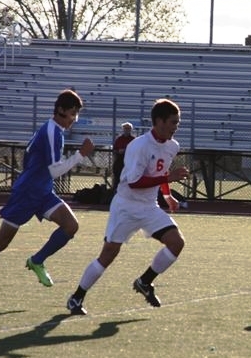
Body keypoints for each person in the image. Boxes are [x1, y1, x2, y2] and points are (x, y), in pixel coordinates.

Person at [0, 89, 95, 305]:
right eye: (72, 113)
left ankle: (37, 260)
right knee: (1, 242)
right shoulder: (52, 131)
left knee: (71, 226)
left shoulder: (54, 130)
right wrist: (80, 155)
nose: (74, 119)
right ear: (60, 110)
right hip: (27, 194)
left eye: (76, 114)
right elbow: (54, 170)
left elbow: (32, 160)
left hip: (42, 191)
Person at [66, 98, 190, 315]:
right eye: (173, 122)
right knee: (108, 255)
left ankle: (145, 281)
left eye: (177, 122)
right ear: (159, 121)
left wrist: (167, 195)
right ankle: (76, 297)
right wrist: (169, 179)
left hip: (149, 206)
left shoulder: (172, 146)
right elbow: (134, 182)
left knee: (176, 242)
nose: (176, 127)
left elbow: (160, 173)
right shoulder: (139, 146)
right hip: (126, 206)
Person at [112, 122, 135, 192]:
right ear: (123, 129)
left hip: (129, 162)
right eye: (125, 128)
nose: (127, 130)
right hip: (119, 160)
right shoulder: (119, 139)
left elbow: (136, 150)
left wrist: (127, 151)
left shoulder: (133, 139)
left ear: (131, 130)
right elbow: (114, 150)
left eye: (128, 128)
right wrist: (119, 151)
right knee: (117, 179)